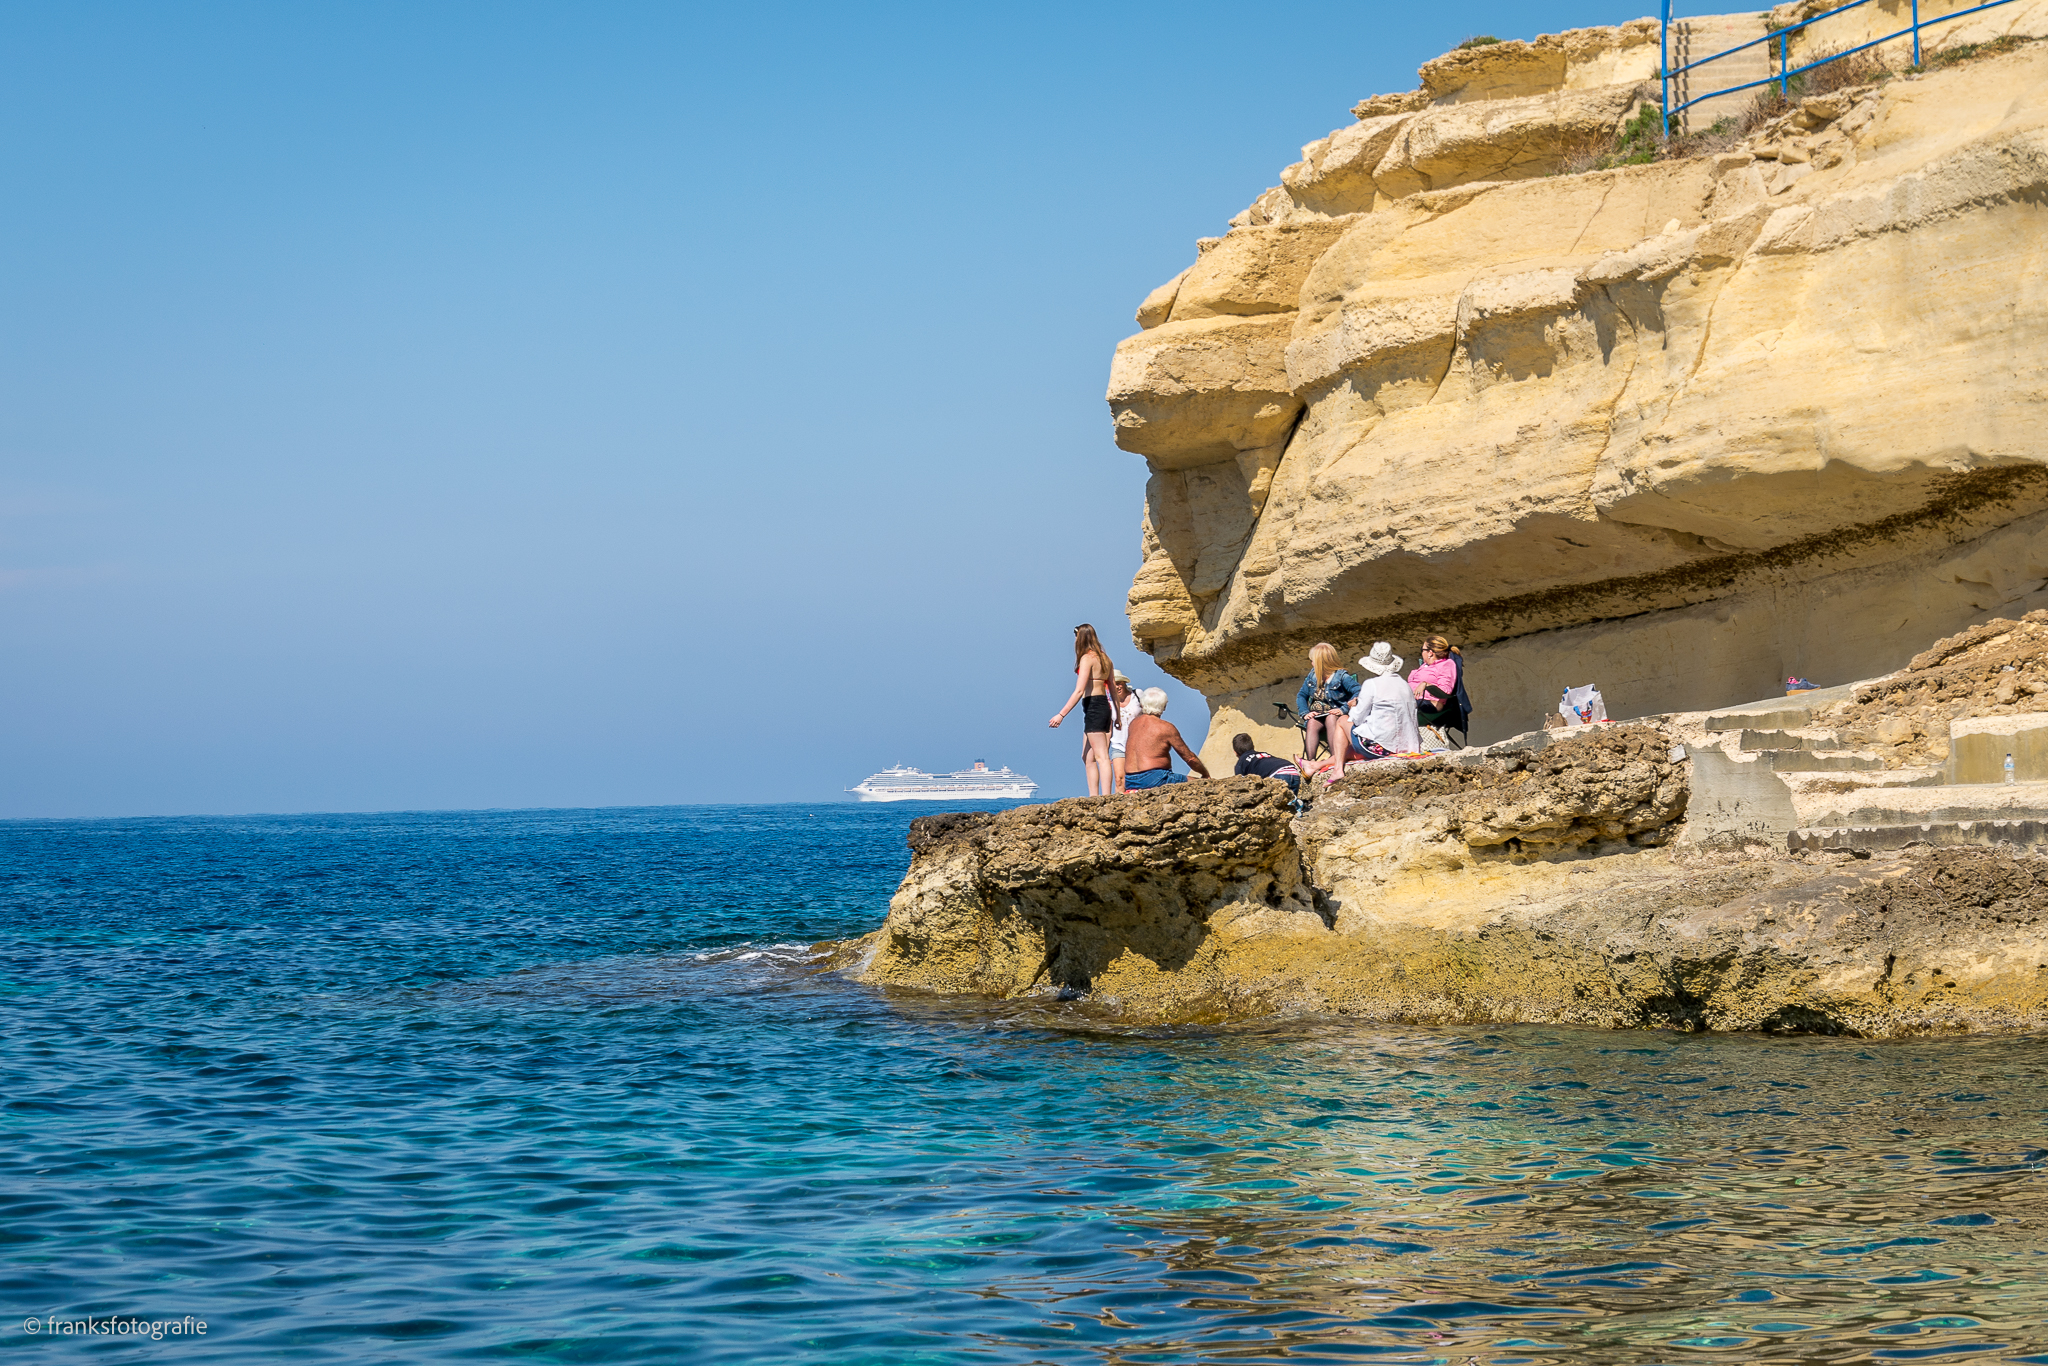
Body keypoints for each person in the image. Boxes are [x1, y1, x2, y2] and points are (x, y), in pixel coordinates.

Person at [1049, 624, 1117, 796]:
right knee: (1087, 756)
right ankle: (1093, 796)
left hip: (1094, 706)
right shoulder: (1105, 658)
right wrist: (1117, 715)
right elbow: (1113, 688)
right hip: (1102, 706)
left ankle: (1106, 796)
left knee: (1102, 756)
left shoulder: (1087, 659)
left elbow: (1079, 691)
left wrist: (1061, 714)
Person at [1122, 688, 1210, 789]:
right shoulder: (1166, 728)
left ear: (1142, 704)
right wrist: (1205, 774)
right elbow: (1190, 758)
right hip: (1156, 778)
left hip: (1130, 780)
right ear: (1164, 706)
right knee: (1202, 785)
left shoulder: (1133, 724)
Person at [1294, 643, 1359, 770]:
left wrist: (1343, 709)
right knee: (1312, 722)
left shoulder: (1341, 676)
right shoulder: (1312, 676)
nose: (1311, 663)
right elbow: (1301, 695)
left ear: (1321, 662)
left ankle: (1335, 758)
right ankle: (1310, 762)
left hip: (1336, 716)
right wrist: (1305, 712)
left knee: (1331, 717)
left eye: (1313, 660)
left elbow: (1358, 692)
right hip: (1318, 716)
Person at [1350, 642, 1420, 757]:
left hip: (1381, 747)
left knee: (1342, 722)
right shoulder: (1404, 684)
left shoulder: (1371, 684)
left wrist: (1352, 707)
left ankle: (1338, 764)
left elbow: (1358, 719)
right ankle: (1329, 762)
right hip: (1408, 745)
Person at [1409, 634, 1467, 750]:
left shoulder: (1446, 664)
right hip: (1416, 701)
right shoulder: (1425, 666)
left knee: (1396, 709)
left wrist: (1425, 684)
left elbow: (1445, 690)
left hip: (1432, 704)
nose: (1421, 653)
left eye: (1422, 649)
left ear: (1430, 653)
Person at [1105, 671, 1142, 793]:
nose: (1117, 687)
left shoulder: (1137, 695)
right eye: (1113, 684)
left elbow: (1149, 715)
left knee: (1138, 778)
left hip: (1139, 745)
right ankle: (1118, 804)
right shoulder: (1109, 702)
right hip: (1118, 745)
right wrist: (1105, 752)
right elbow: (1108, 729)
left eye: (1119, 683)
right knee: (1119, 780)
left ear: (1124, 683)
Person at [1231, 733, 1301, 793]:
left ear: (1235, 752)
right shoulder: (1262, 754)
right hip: (1293, 771)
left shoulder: (1241, 762)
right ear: (1253, 747)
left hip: (1278, 775)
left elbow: (1240, 785)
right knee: (1291, 802)